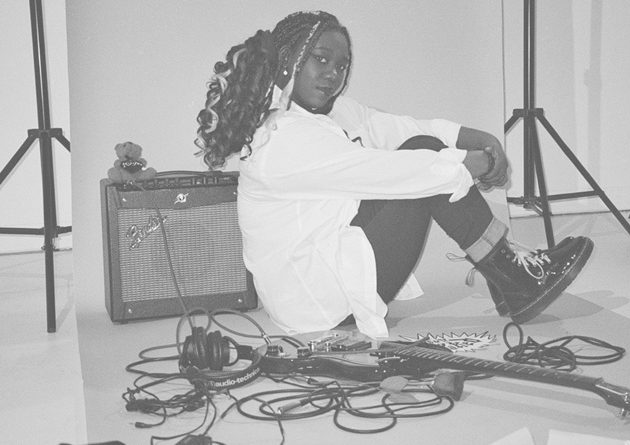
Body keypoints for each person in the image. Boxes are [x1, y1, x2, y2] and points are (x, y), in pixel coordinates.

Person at [194, 11, 593, 338]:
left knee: (422, 150)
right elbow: (390, 172)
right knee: (424, 165)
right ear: (288, 60)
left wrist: (484, 140)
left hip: (323, 275)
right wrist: (472, 164)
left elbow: (401, 129)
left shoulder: (326, 111)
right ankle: (511, 276)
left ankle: (504, 275)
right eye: (321, 59)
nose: (333, 74)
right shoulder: (283, 137)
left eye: (342, 65)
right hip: (319, 303)